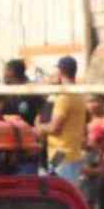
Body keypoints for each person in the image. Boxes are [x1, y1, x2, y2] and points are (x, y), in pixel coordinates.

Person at [36, 55, 87, 184]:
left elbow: (54, 128)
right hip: (71, 153)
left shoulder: (64, 96)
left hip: (61, 154)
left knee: (60, 190)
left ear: (60, 71)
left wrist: (39, 127)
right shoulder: (78, 93)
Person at [0, 59, 47, 174]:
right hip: (9, 150)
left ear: (13, 73)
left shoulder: (32, 92)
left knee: (27, 186)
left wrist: (37, 134)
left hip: (28, 153)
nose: (3, 76)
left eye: (6, 72)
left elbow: (43, 115)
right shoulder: (6, 93)